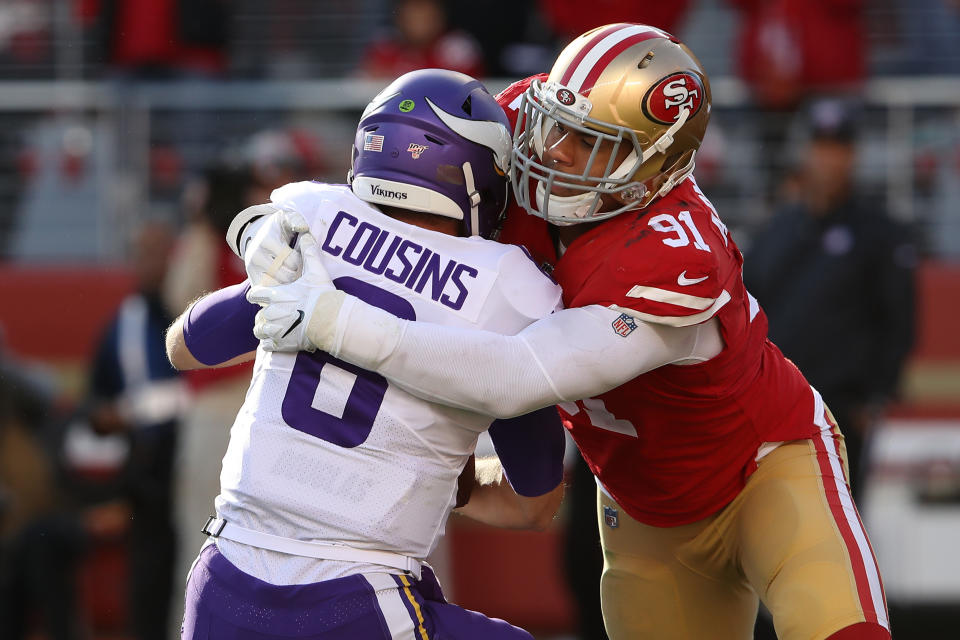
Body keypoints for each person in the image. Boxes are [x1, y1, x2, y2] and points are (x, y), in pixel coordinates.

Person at [245, 25, 891, 640]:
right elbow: (400, 191)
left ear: (653, 169)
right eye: (559, 122)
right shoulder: (528, 123)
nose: (554, 150)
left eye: (589, 143)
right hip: (643, 512)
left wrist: (339, 323)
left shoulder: (672, 254)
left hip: (763, 469)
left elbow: (519, 375)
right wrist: (293, 226)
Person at [165, 69, 566, 639]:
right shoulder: (503, 291)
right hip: (351, 600)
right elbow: (534, 506)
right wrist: (440, 479)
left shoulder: (317, 227)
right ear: (476, 179)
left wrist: (261, 285)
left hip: (224, 583)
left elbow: (183, 347)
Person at [743, 98, 916, 500]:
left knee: (841, 516)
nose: (828, 160)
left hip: (842, 406)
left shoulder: (878, 232)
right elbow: (749, 305)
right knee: (772, 520)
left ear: (853, 156)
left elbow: (899, 318)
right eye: (820, 147)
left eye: (838, 148)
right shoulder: (778, 227)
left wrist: (877, 394)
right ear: (805, 153)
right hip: (776, 403)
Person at [88, 221, 186, 640]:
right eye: (143, 254)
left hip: (204, 461)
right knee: (147, 581)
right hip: (148, 474)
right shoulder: (120, 327)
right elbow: (95, 406)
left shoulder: (200, 312)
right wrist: (108, 416)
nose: (152, 264)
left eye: (161, 253)